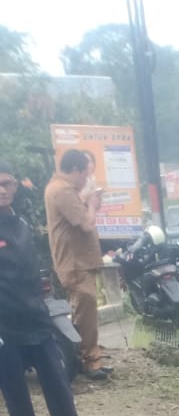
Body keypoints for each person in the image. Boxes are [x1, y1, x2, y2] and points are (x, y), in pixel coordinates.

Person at [0, 161, 112, 416]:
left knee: (59, 384)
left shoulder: (20, 224)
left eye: (8, 183)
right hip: (4, 325)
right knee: (16, 392)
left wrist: (41, 304)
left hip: (36, 317)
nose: (4, 190)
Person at [44, 148, 111, 380]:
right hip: (74, 263)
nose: (85, 180)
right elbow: (85, 224)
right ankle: (90, 359)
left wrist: (87, 201)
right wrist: (92, 204)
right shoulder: (61, 190)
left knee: (86, 310)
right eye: (84, 174)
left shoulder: (65, 190)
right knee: (86, 309)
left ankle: (87, 355)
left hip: (79, 261)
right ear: (75, 170)